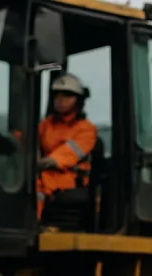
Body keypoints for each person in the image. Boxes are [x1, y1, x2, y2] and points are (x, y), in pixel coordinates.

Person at [36, 73, 98, 221]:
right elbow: (29, 139)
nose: (61, 100)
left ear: (78, 101)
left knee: (35, 188)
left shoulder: (86, 129)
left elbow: (67, 154)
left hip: (69, 178)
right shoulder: (47, 124)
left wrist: (47, 161)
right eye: (57, 96)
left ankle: (33, 226)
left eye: (67, 96)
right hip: (46, 172)